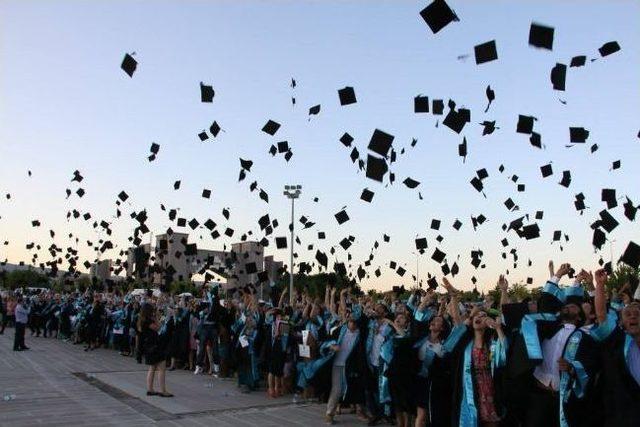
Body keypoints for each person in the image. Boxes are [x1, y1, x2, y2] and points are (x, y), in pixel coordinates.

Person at [442, 277, 508, 427]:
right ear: (471, 322)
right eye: (477, 316)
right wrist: (453, 296)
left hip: (491, 390)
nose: (480, 316)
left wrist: (503, 291)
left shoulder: (492, 342)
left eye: (484, 315)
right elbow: (457, 322)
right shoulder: (465, 342)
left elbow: (503, 356)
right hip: (470, 389)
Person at [591, 268, 640, 427]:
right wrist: (599, 285)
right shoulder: (617, 341)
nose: (633, 316)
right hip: (623, 416)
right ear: (621, 322)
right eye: (628, 314)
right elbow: (601, 315)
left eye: (638, 314)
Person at [138, 302, 173, 397]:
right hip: (154, 346)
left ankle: (150, 389)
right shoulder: (148, 321)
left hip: (149, 346)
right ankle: (163, 391)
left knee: (152, 367)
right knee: (162, 368)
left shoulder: (142, 320)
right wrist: (157, 318)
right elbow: (158, 328)